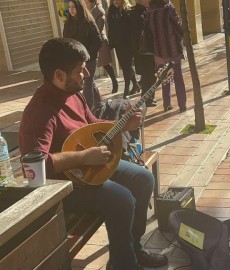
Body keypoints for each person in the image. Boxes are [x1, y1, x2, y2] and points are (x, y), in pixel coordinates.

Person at [19, 38, 168, 270]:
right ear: (59, 75)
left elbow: (92, 124)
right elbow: (35, 167)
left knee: (143, 178)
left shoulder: (73, 93)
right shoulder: (39, 113)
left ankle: (133, 249)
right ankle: (123, 264)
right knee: (121, 198)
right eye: (80, 70)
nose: (87, 73)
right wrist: (82, 157)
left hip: (91, 168)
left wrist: (122, 124)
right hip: (62, 186)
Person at [148, 0, 187, 113]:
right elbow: (180, 29)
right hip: (172, 49)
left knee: (165, 77)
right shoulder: (169, 10)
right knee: (178, 76)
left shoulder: (150, 12)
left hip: (159, 50)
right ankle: (182, 104)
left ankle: (167, 104)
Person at [63, 0, 102, 112]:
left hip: (90, 59)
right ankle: (98, 103)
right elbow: (66, 42)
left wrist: (87, 54)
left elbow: (98, 40)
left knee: (87, 83)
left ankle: (88, 110)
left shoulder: (88, 22)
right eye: (69, 7)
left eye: (73, 7)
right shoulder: (68, 24)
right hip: (76, 60)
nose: (71, 10)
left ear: (79, 8)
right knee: (90, 82)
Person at [107, 0, 141, 98]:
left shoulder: (128, 10)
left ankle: (126, 89)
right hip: (118, 44)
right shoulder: (111, 11)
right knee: (125, 65)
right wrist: (111, 43)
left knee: (127, 66)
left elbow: (131, 28)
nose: (116, 1)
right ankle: (135, 84)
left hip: (128, 43)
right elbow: (111, 29)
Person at [85, 0, 119, 94]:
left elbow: (99, 27)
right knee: (94, 64)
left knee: (105, 63)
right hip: (91, 42)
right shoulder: (87, 11)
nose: (85, 4)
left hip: (100, 41)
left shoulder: (99, 11)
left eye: (87, 2)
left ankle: (115, 82)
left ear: (91, 2)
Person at [130, 0, 157, 107]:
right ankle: (147, 99)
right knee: (149, 76)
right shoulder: (140, 14)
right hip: (145, 50)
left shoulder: (140, 12)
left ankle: (148, 98)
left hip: (141, 50)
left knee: (148, 76)